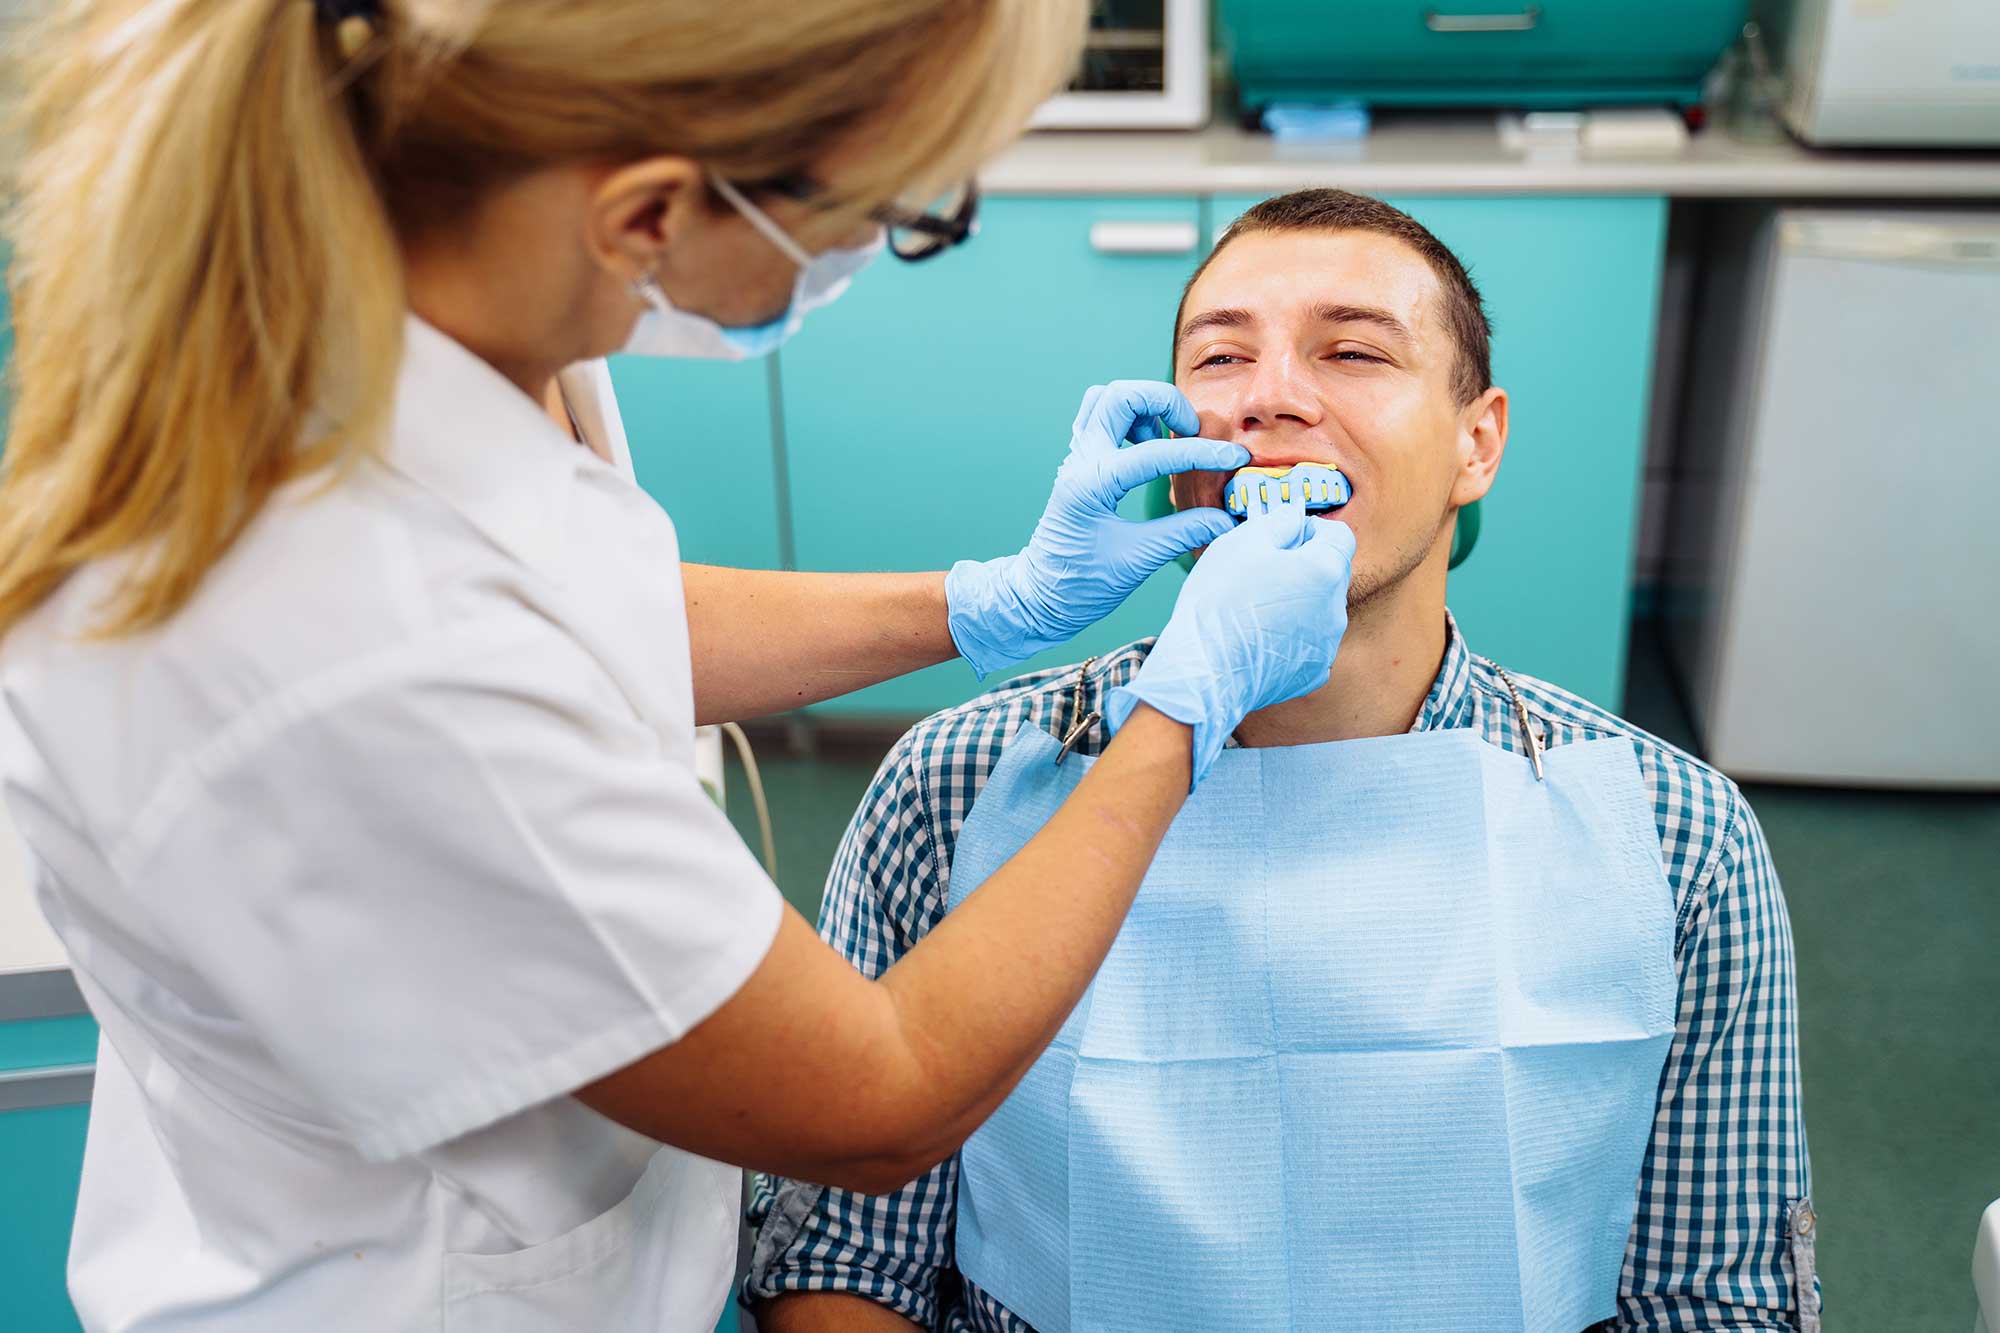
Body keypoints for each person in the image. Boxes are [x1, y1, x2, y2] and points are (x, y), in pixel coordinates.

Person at [0, 5, 1355, 1330]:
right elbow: (878, 1099)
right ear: (648, 214)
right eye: (894, 208)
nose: (1274, 398)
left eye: (1352, 352)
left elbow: (572, 606)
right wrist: (1183, 708)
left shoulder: (461, 313)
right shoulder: (341, 640)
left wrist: (978, 606)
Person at [747, 190, 1817, 1332]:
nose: (1269, 396)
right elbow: (846, 1261)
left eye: (1350, 349)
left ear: (1476, 442)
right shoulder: (954, 786)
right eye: (1219, 357)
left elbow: (1712, 1298)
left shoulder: (1667, 834)